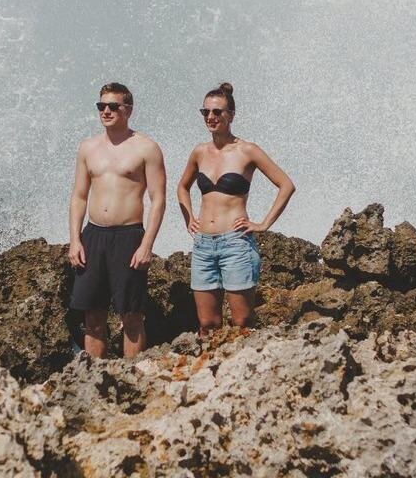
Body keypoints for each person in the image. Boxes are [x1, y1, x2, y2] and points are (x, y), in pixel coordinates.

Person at [177, 82, 295, 336]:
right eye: (205, 112)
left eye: (217, 112)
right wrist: (189, 218)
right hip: (203, 246)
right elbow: (182, 187)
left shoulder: (247, 150)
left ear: (231, 115)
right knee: (207, 324)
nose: (210, 117)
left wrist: (263, 223)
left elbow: (286, 185)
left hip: (235, 243)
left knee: (242, 321)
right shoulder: (199, 152)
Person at [68, 82, 166, 358]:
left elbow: (158, 200)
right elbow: (79, 197)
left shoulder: (147, 148)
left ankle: (132, 376)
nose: (106, 111)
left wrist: (146, 245)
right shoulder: (88, 148)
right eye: (101, 106)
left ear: (128, 110)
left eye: (113, 106)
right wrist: (75, 240)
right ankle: (93, 377)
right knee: (93, 316)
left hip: (128, 237)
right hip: (93, 236)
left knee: (131, 316)